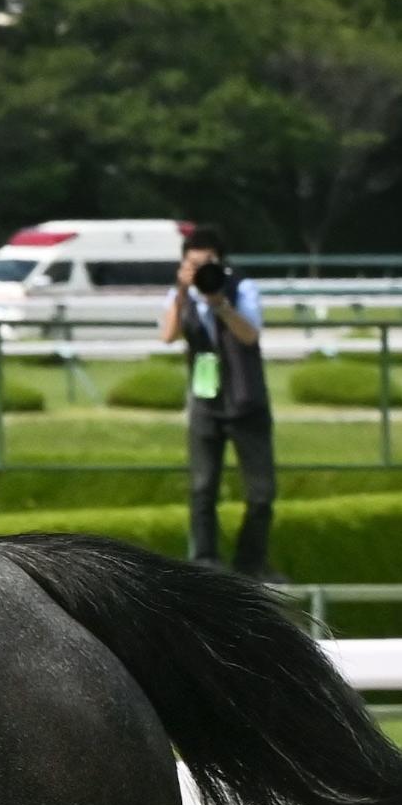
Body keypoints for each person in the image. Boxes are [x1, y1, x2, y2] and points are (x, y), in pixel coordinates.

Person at [159, 219, 274, 576]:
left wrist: (221, 303)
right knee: (202, 486)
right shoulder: (181, 295)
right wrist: (182, 292)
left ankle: (250, 563)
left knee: (261, 493)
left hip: (246, 400)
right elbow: (168, 335)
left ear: (221, 263)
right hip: (206, 401)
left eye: (206, 264)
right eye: (193, 265)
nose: (201, 272)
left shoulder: (242, 288)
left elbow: (249, 335)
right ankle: (204, 561)